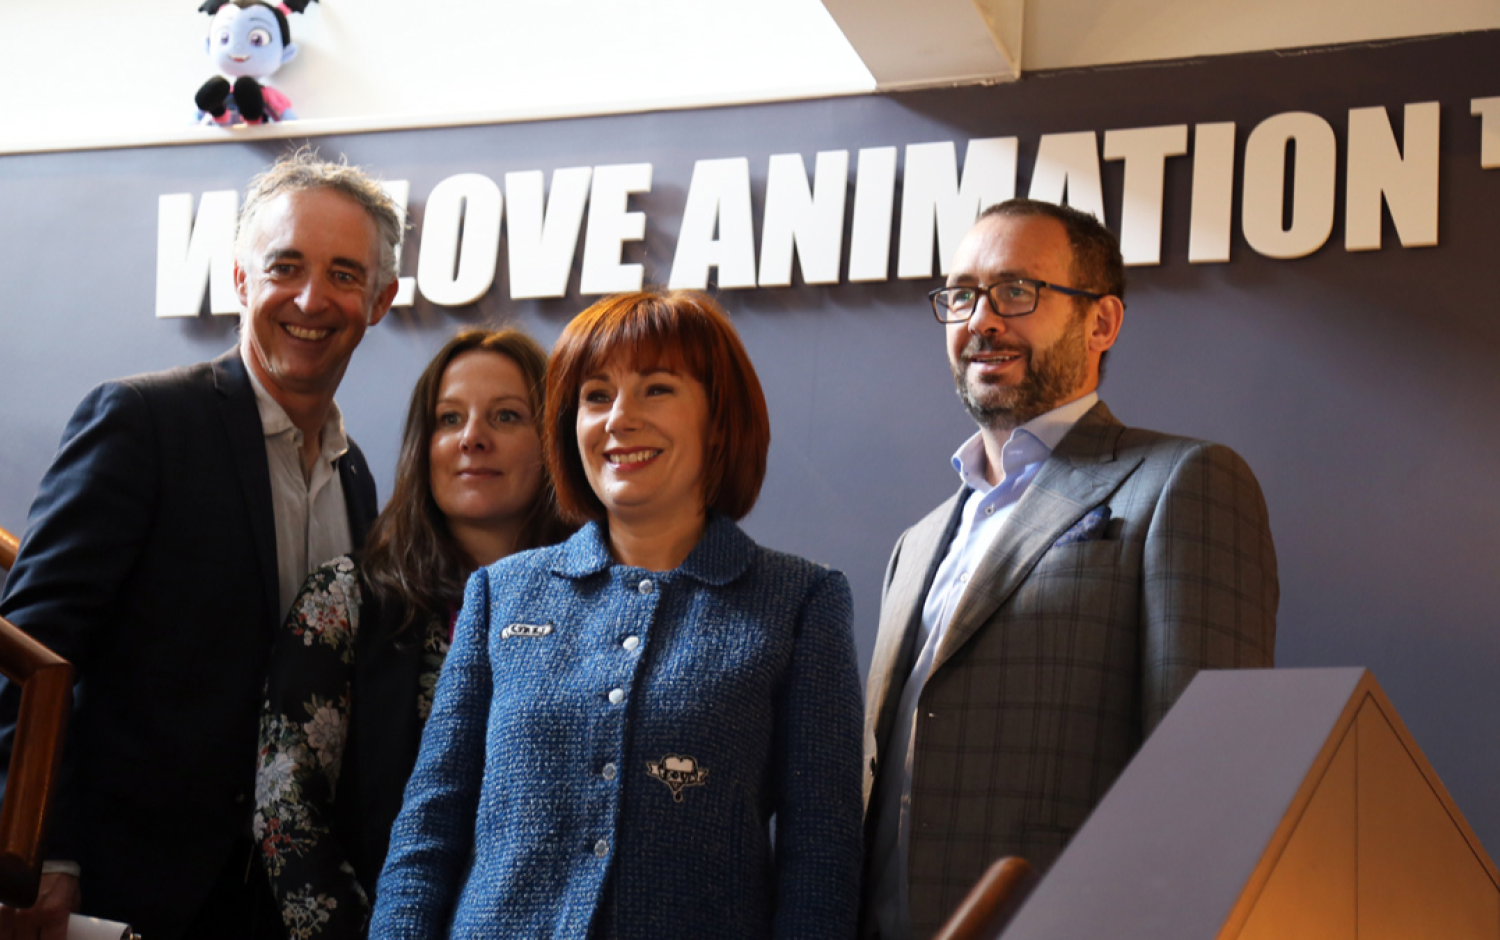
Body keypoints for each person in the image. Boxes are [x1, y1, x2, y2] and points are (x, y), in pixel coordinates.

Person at [370, 291, 865, 939]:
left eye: (657, 389)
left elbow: (821, 857)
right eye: (597, 396)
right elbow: (428, 827)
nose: (619, 420)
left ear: (719, 419)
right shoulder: (502, 593)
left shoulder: (801, 601)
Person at [0, 150, 403, 940]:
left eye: (344, 274)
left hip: (281, 902)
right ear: (241, 278)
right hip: (124, 892)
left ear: (381, 299)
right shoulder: (143, 423)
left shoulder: (357, 477)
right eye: (285, 265)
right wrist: (43, 851)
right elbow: (29, 652)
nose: (311, 298)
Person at [862, 199, 1278, 939]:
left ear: (1101, 323)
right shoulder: (916, 543)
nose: (981, 321)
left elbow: (1203, 787)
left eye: (1016, 291)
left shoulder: (1182, 481)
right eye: (961, 295)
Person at [254, 327, 572, 939]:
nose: (472, 438)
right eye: (449, 418)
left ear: (553, 441)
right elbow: (287, 813)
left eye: (506, 416)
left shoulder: (607, 610)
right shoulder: (345, 599)